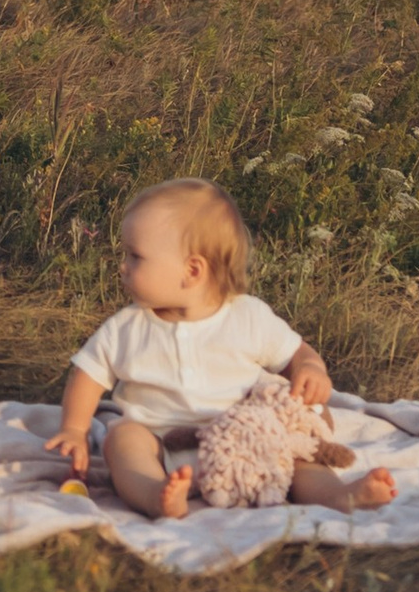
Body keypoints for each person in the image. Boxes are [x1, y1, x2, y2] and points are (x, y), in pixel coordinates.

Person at [43, 179, 398, 519]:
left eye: (135, 256)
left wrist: (311, 369)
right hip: (162, 446)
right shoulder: (127, 327)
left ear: (192, 270)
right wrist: (75, 429)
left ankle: (339, 496)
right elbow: (88, 374)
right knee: (122, 440)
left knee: (299, 451)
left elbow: (296, 353)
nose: (123, 266)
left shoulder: (247, 317)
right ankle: (156, 494)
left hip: (245, 442)